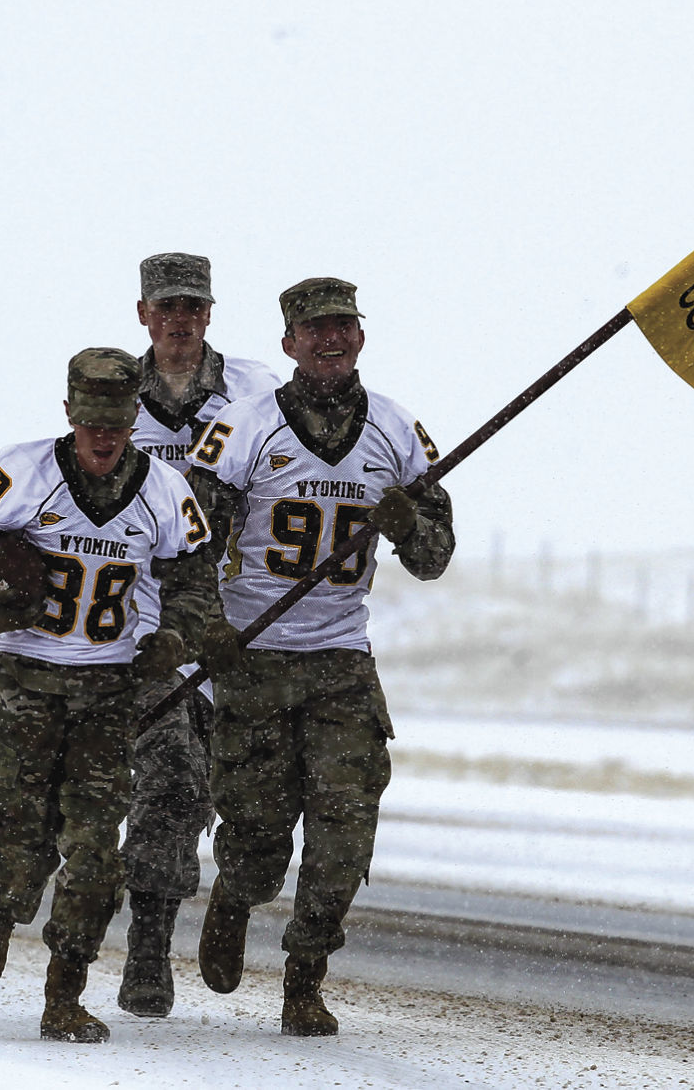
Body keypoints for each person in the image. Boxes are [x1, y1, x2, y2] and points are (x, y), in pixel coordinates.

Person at [185, 276, 455, 1036]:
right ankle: (235, 897)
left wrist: (408, 525)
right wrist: (206, 623)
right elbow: (189, 541)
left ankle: (304, 977)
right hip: (255, 659)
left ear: (360, 335)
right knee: (261, 833)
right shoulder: (243, 429)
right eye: (314, 329)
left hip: (340, 660)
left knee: (344, 832)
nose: (329, 339)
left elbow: (435, 556)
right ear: (288, 344)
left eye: (341, 325)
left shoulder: (397, 432)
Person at [0, 348, 218, 1043]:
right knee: (23, 836)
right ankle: (4, 898)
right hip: (25, 685)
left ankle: (63, 993)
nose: (103, 438)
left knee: (97, 853)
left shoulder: (164, 491)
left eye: (117, 424)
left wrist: (174, 638)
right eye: (91, 421)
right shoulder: (21, 474)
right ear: (69, 412)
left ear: (133, 420)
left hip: (106, 690)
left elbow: (194, 585)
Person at [117, 252, 281, 1018]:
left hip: (243, 628)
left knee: (250, 798)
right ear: (143, 313)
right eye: (166, 307)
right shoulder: (114, 391)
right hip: (145, 626)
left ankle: (233, 906)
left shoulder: (256, 393)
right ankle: (147, 949)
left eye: (193, 306)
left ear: (209, 313)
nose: (180, 319)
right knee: (172, 784)